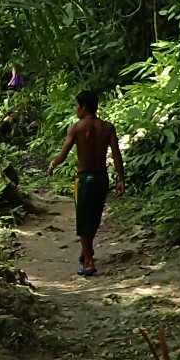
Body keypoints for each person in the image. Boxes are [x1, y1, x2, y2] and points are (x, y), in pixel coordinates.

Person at [47, 89, 126, 277]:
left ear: (83, 107)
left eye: (76, 105)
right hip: (101, 178)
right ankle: (86, 250)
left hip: (83, 179)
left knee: (83, 217)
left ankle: (89, 261)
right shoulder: (107, 127)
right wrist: (121, 178)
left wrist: (52, 165)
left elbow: (64, 152)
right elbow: (116, 154)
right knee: (95, 215)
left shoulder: (76, 128)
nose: (76, 109)